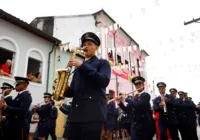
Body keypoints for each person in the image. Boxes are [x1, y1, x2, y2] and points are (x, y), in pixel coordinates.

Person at [63, 32, 111, 140]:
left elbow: (104, 81)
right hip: (75, 115)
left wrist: (82, 65)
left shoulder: (102, 63)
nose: (85, 47)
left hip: (92, 115)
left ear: (96, 47)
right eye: (84, 44)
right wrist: (64, 88)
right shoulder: (78, 67)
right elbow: (72, 92)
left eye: (89, 44)